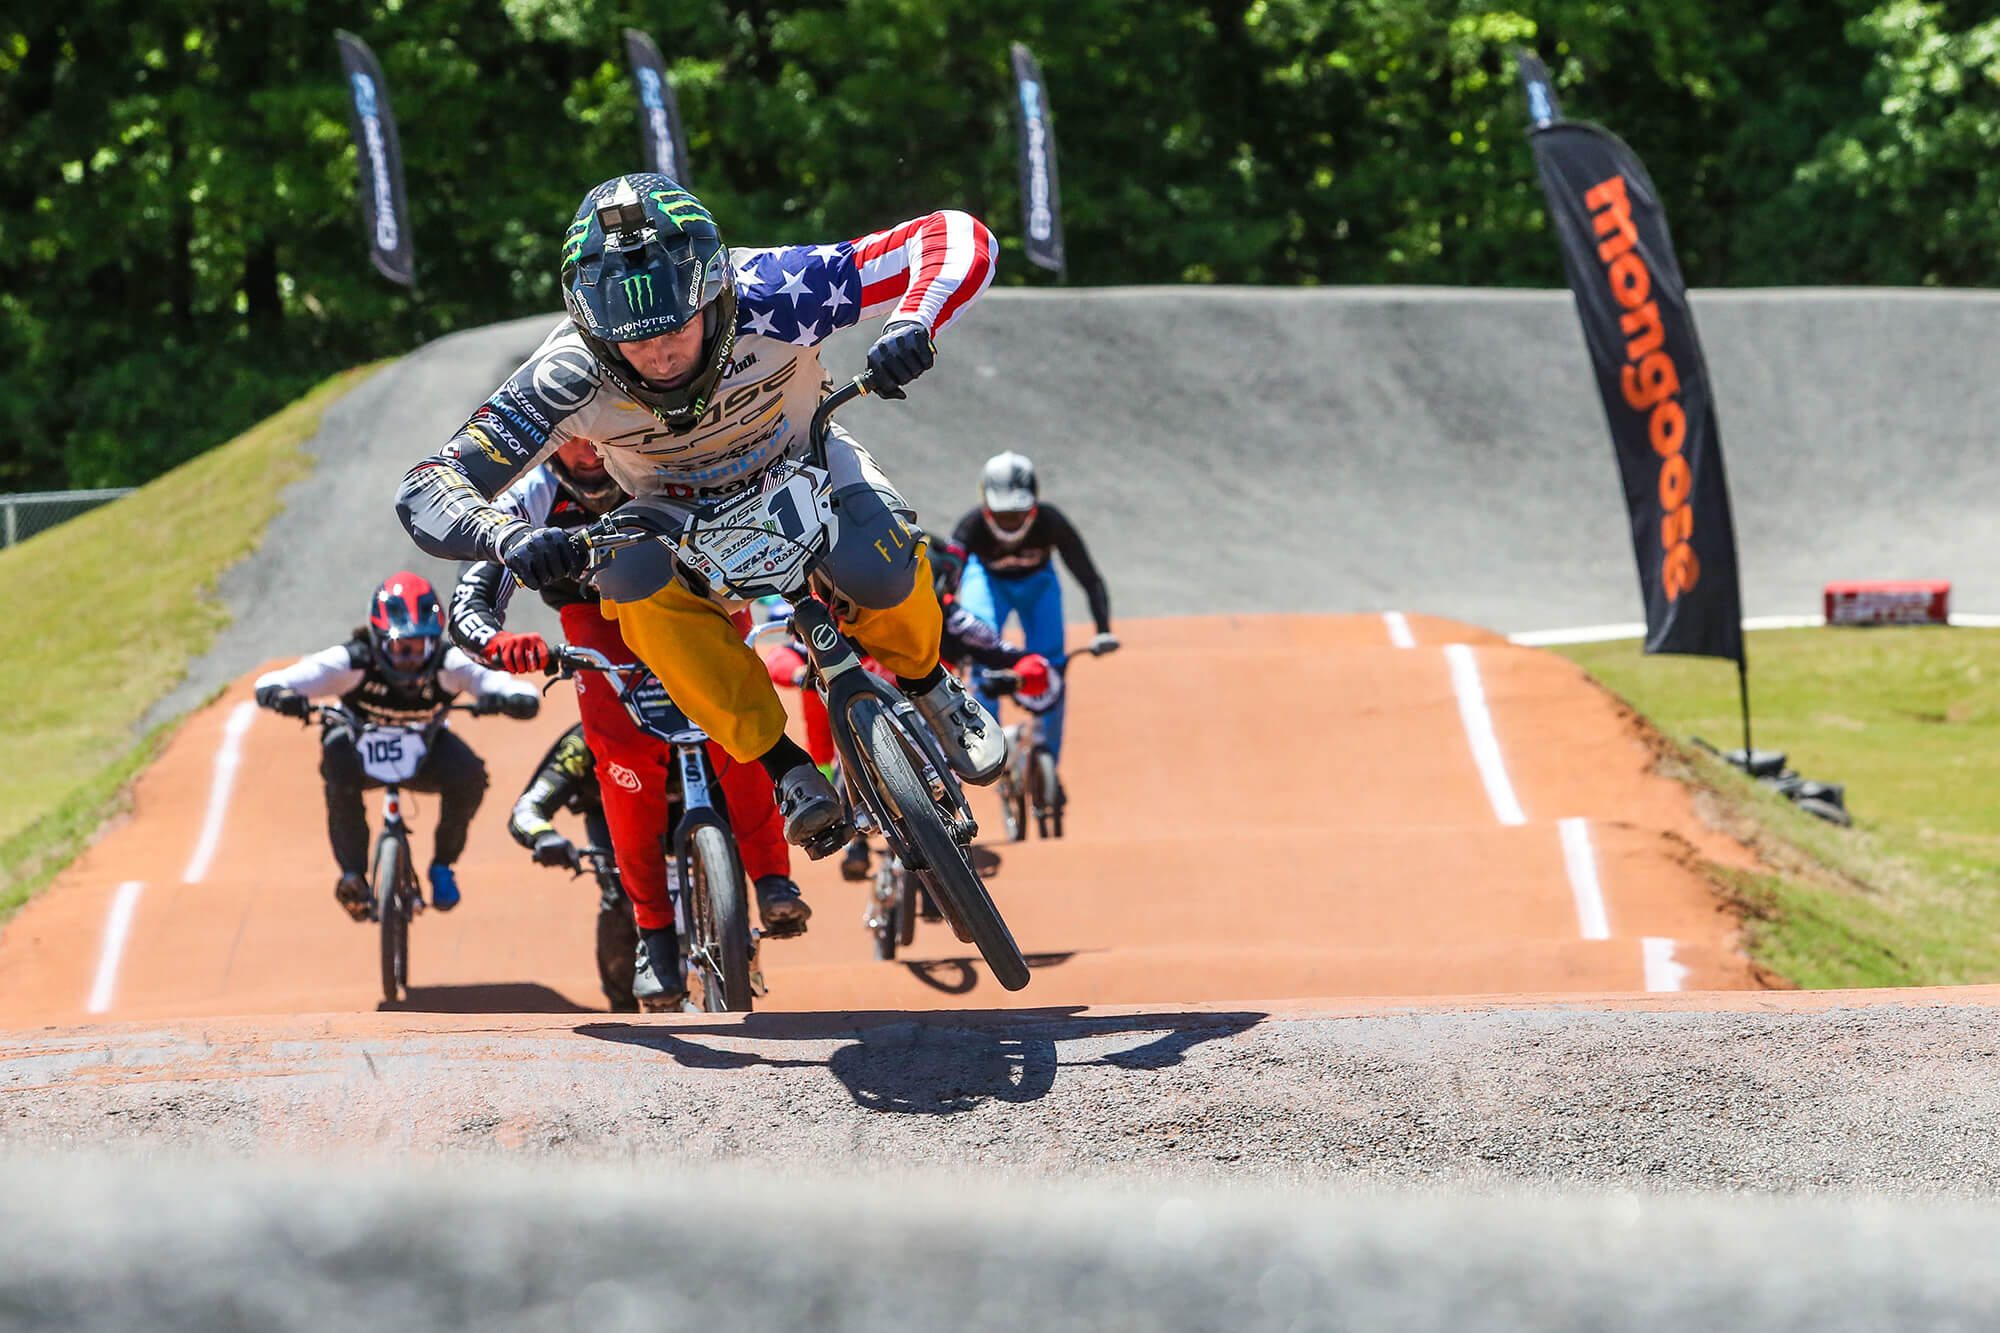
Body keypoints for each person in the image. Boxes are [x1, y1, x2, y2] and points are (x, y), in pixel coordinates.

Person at [397, 174, 1007, 877]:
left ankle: (931, 682)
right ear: (592, 331)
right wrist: (504, 536)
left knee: (879, 565)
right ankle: (784, 767)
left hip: (804, 458)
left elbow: (955, 236)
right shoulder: (564, 373)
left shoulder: (779, 288)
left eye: (676, 327)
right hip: (675, 515)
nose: (659, 355)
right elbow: (427, 483)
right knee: (624, 583)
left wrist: (915, 321)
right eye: (633, 342)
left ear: (716, 291)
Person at [449, 439, 803, 1006]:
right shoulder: (529, 495)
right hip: (593, 617)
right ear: (548, 439)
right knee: (619, 757)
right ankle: (655, 934)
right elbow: (469, 601)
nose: (587, 449)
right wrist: (499, 644)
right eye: (571, 433)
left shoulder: (671, 454)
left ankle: (773, 879)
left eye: (599, 429)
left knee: (740, 726)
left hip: (694, 599)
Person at [253, 572, 539, 918]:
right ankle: (353, 875)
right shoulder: (350, 661)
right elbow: (274, 682)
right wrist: (284, 697)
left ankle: (443, 866)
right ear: (378, 639)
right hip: (358, 751)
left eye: (420, 646)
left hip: (427, 752)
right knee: (336, 760)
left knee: (470, 776)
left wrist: (505, 700)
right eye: (401, 647)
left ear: (435, 640)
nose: (411, 658)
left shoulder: (450, 664)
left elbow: (508, 686)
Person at [949, 452, 1117, 767]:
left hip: (1038, 585)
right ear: (986, 507)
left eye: (1018, 513)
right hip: (987, 582)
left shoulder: (1051, 523)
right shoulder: (970, 527)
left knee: (1051, 664)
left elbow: (1089, 577)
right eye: (1002, 515)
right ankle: (986, 746)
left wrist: (1104, 629)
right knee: (981, 653)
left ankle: (1046, 756)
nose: (1010, 523)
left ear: (1034, 506)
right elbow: (947, 574)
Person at [505, 722, 640, 1012]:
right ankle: (623, 1006)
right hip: (615, 822)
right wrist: (544, 836)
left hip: (696, 823)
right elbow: (529, 807)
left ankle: (741, 961)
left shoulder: (697, 716)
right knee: (617, 897)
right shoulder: (585, 741)